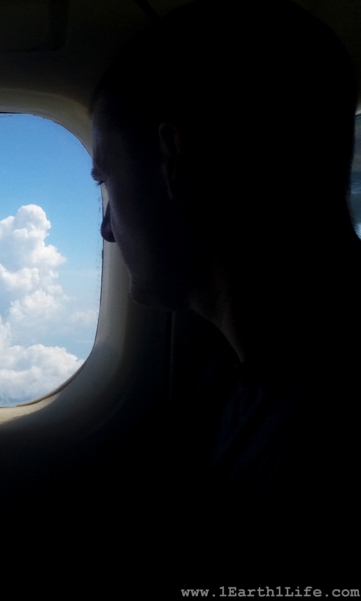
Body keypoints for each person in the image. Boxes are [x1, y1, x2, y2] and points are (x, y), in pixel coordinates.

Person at [89, 0, 360, 577]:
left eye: (106, 180)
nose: (107, 228)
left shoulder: (332, 444)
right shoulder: (239, 375)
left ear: (174, 159)